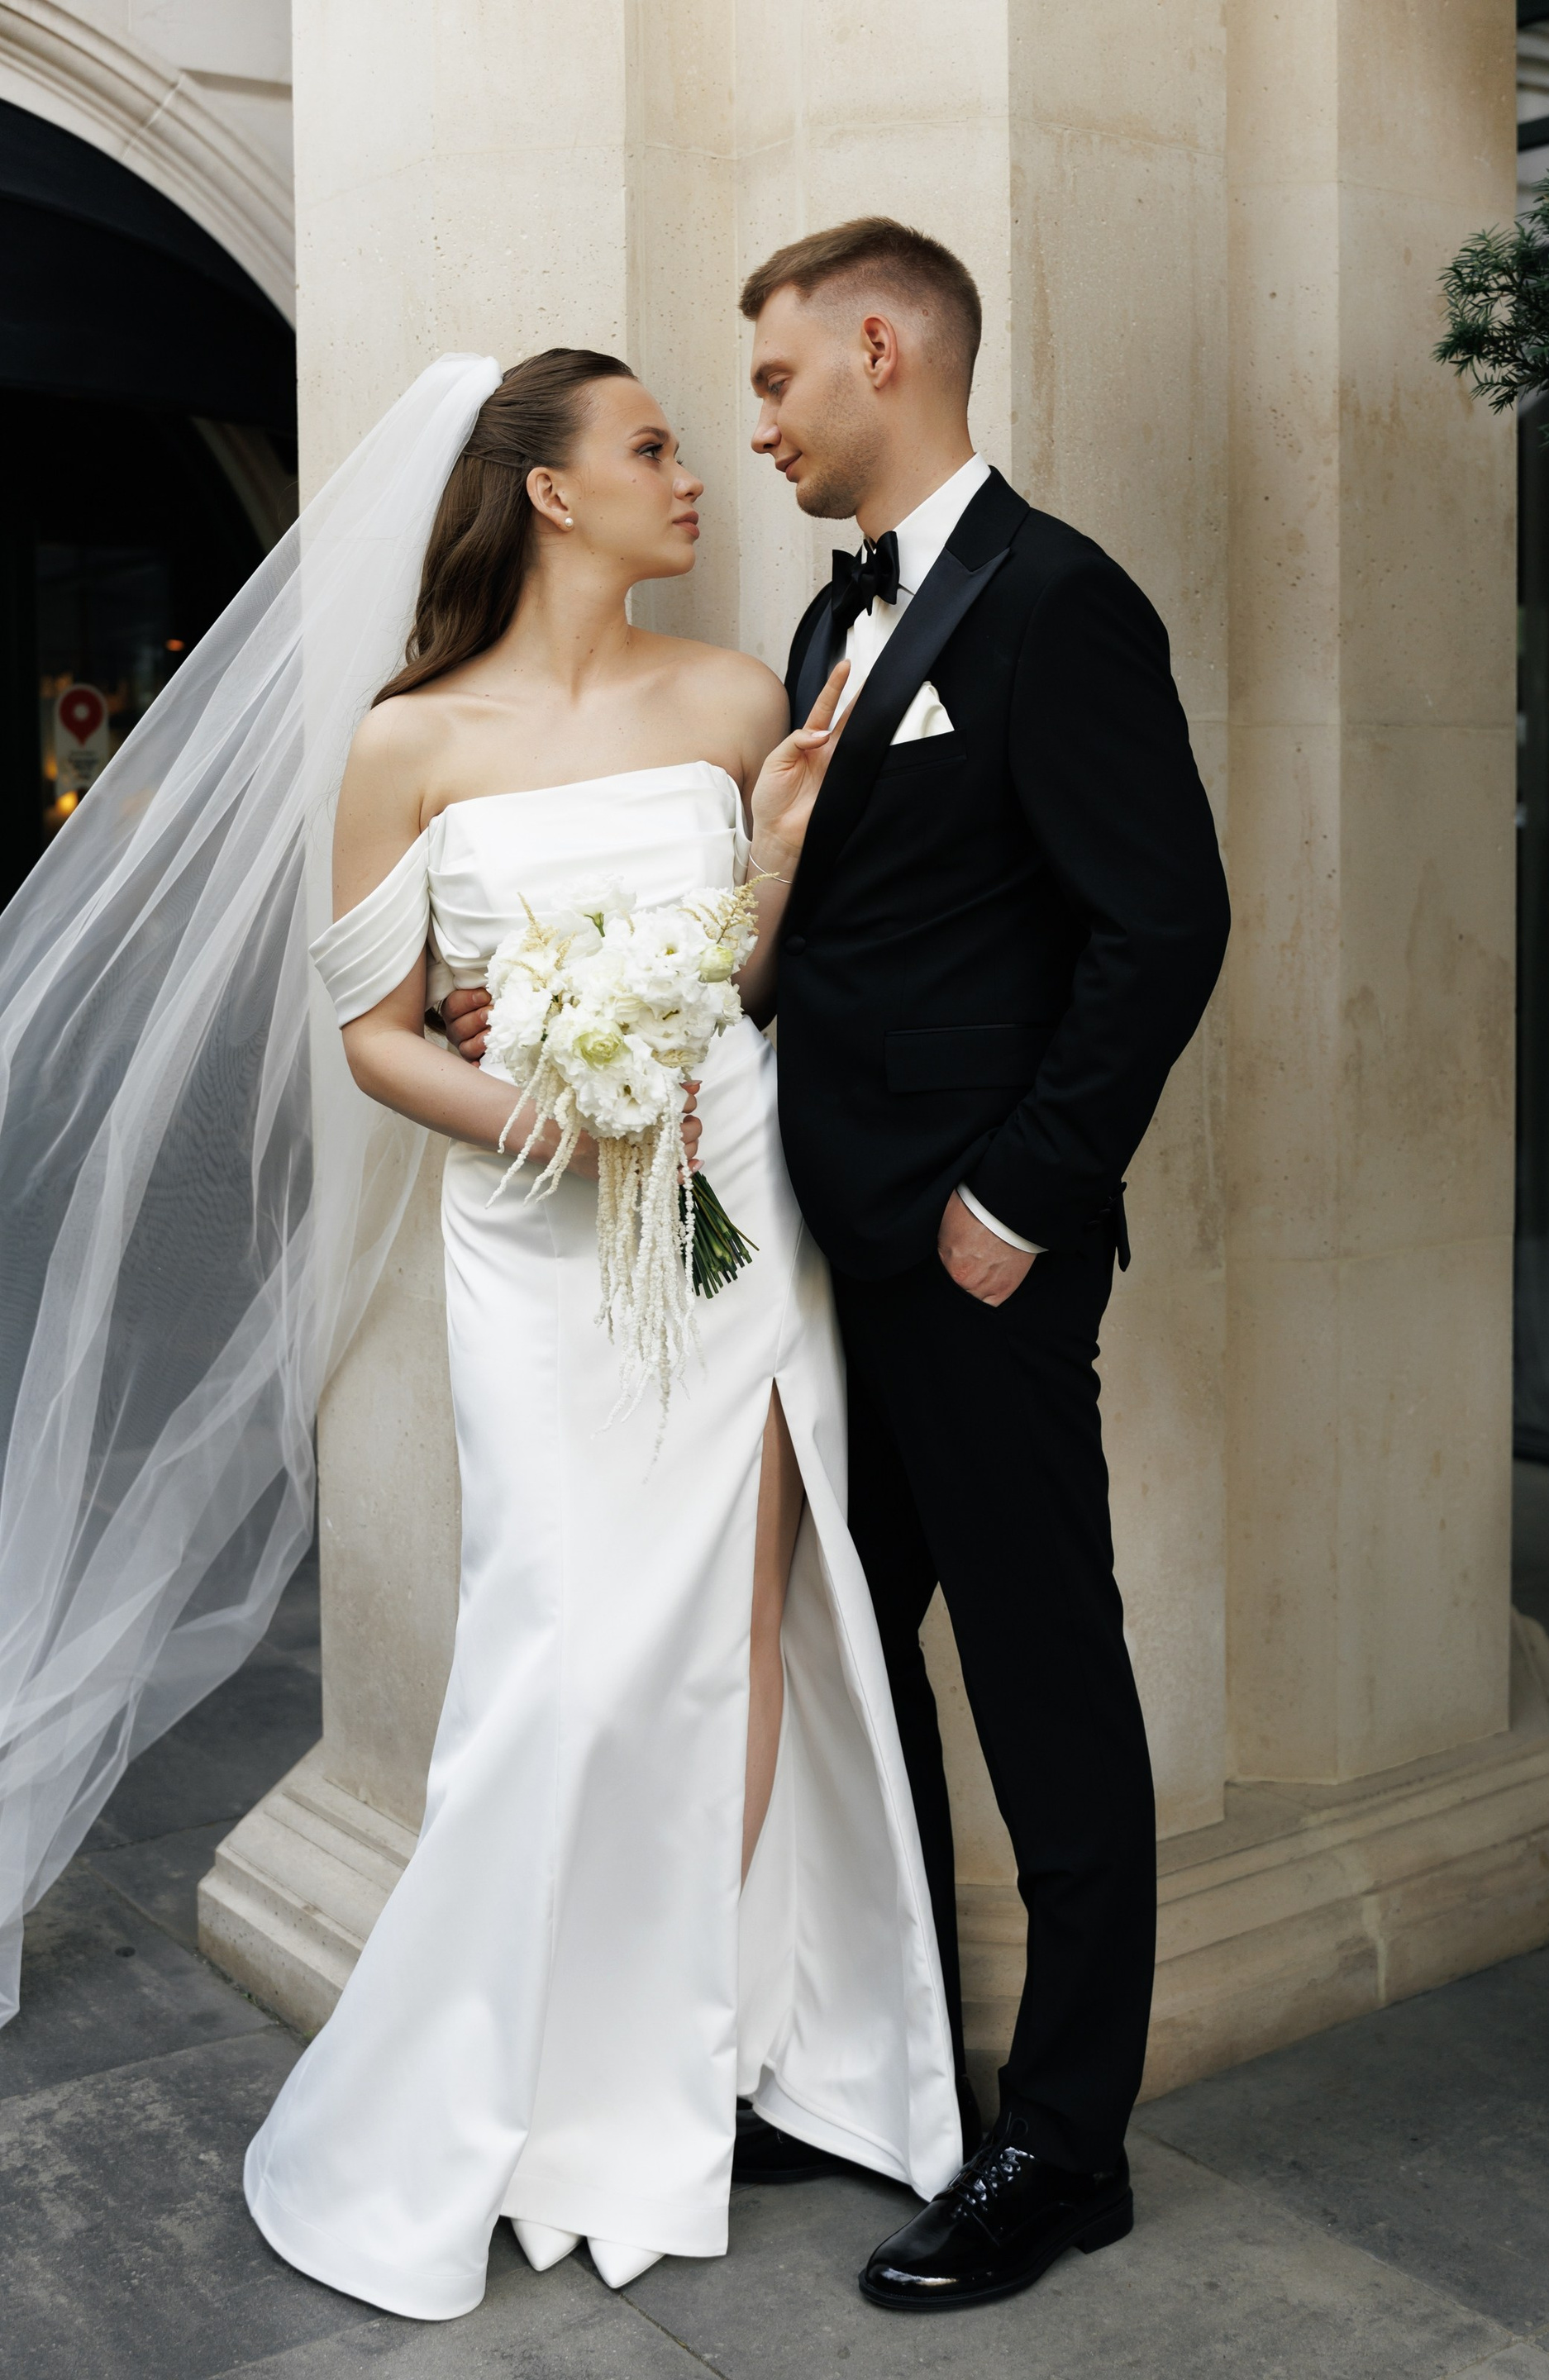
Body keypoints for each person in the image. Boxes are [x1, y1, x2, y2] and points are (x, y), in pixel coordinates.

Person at [446, 219, 1231, 2313]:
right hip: (802, 1271)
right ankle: (869, 2070)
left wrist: (1021, 1202)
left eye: (779, 383)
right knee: (845, 1684)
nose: (761, 429)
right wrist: (547, 1019)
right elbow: (791, 930)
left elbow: (1165, 926)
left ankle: (1063, 2146)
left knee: (1046, 1686)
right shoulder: (824, 619)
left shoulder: (1058, 601)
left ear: (881, 349)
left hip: (977, 1266)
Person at [232, 350, 965, 2314]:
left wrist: (780, 845)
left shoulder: (730, 702)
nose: (693, 473)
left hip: (732, 1230)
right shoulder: (408, 741)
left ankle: (678, 2064)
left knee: (730, 1645)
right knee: (559, 1660)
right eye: (650, 446)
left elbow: (754, 977)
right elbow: (377, 1034)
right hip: (535, 1243)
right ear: (553, 492)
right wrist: (544, 1113)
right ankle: (497, 2076)